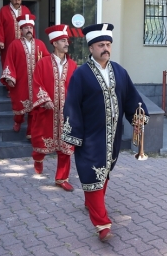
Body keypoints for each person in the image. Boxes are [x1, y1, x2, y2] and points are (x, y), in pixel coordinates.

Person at [62, 23, 148, 242]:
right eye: (101, 45)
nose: (106, 49)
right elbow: (72, 104)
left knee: (105, 171)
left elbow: (131, 98)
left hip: (113, 135)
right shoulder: (81, 74)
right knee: (91, 173)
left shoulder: (120, 71)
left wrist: (138, 117)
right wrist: (75, 136)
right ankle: (102, 224)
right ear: (91, 48)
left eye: (108, 44)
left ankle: (91, 202)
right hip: (90, 136)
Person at [30, 24, 77, 191]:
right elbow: (36, 83)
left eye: (67, 41)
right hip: (46, 111)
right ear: (55, 43)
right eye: (63, 40)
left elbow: (76, 87)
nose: (67, 43)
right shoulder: (42, 63)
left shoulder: (73, 65)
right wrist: (44, 99)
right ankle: (38, 158)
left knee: (65, 147)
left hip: (66, 114)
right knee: (41, 141)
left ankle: (61, 178)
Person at [0, 14, 49, 135]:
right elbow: (9, 61)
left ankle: (30, 132)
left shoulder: (40, 44)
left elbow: (47, 59)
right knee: (19, 107)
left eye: (30, 28)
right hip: (20, 82)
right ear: (21, 30)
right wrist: (9, 77)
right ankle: (18, 121)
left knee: (34, 109)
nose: (29, 30)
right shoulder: (14, 45)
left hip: (36, 83)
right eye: (26, 28)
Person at [0, 0, 32, 70]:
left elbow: (30, 27)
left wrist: (31, 41)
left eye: (19, 0)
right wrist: (0, 46)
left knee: (23, 67)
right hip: (8, 46)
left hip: (24, 46)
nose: (17, 1)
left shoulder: (26, 10)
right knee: (8, 67)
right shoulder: (3, 10)